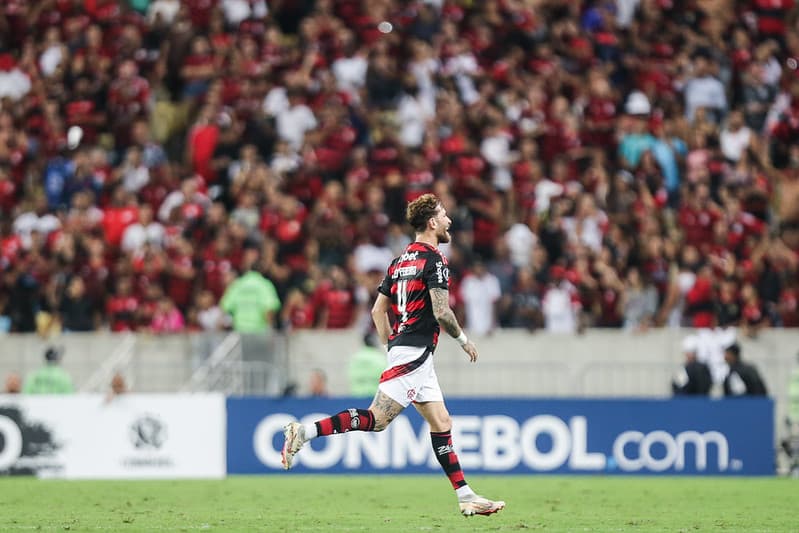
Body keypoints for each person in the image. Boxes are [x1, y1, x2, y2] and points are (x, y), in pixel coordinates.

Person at [281, 194, 505, 516]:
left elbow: (377, 311)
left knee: (442, 422)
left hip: (411, 352)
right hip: (413, 353)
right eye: (444, 215)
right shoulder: (433, 261)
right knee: (376, 420)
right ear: (431, 223)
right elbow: (442, 312)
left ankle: (465, 495)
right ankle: (304, 432)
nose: (449, 221)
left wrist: (391, 346)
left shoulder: (399, 261)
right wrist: (463, 340)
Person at [348, 333, 387, 398]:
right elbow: (385, 375)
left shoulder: (355, 357)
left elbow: (351, 375)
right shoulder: (379, 357)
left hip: (357, 394)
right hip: (375, 394)